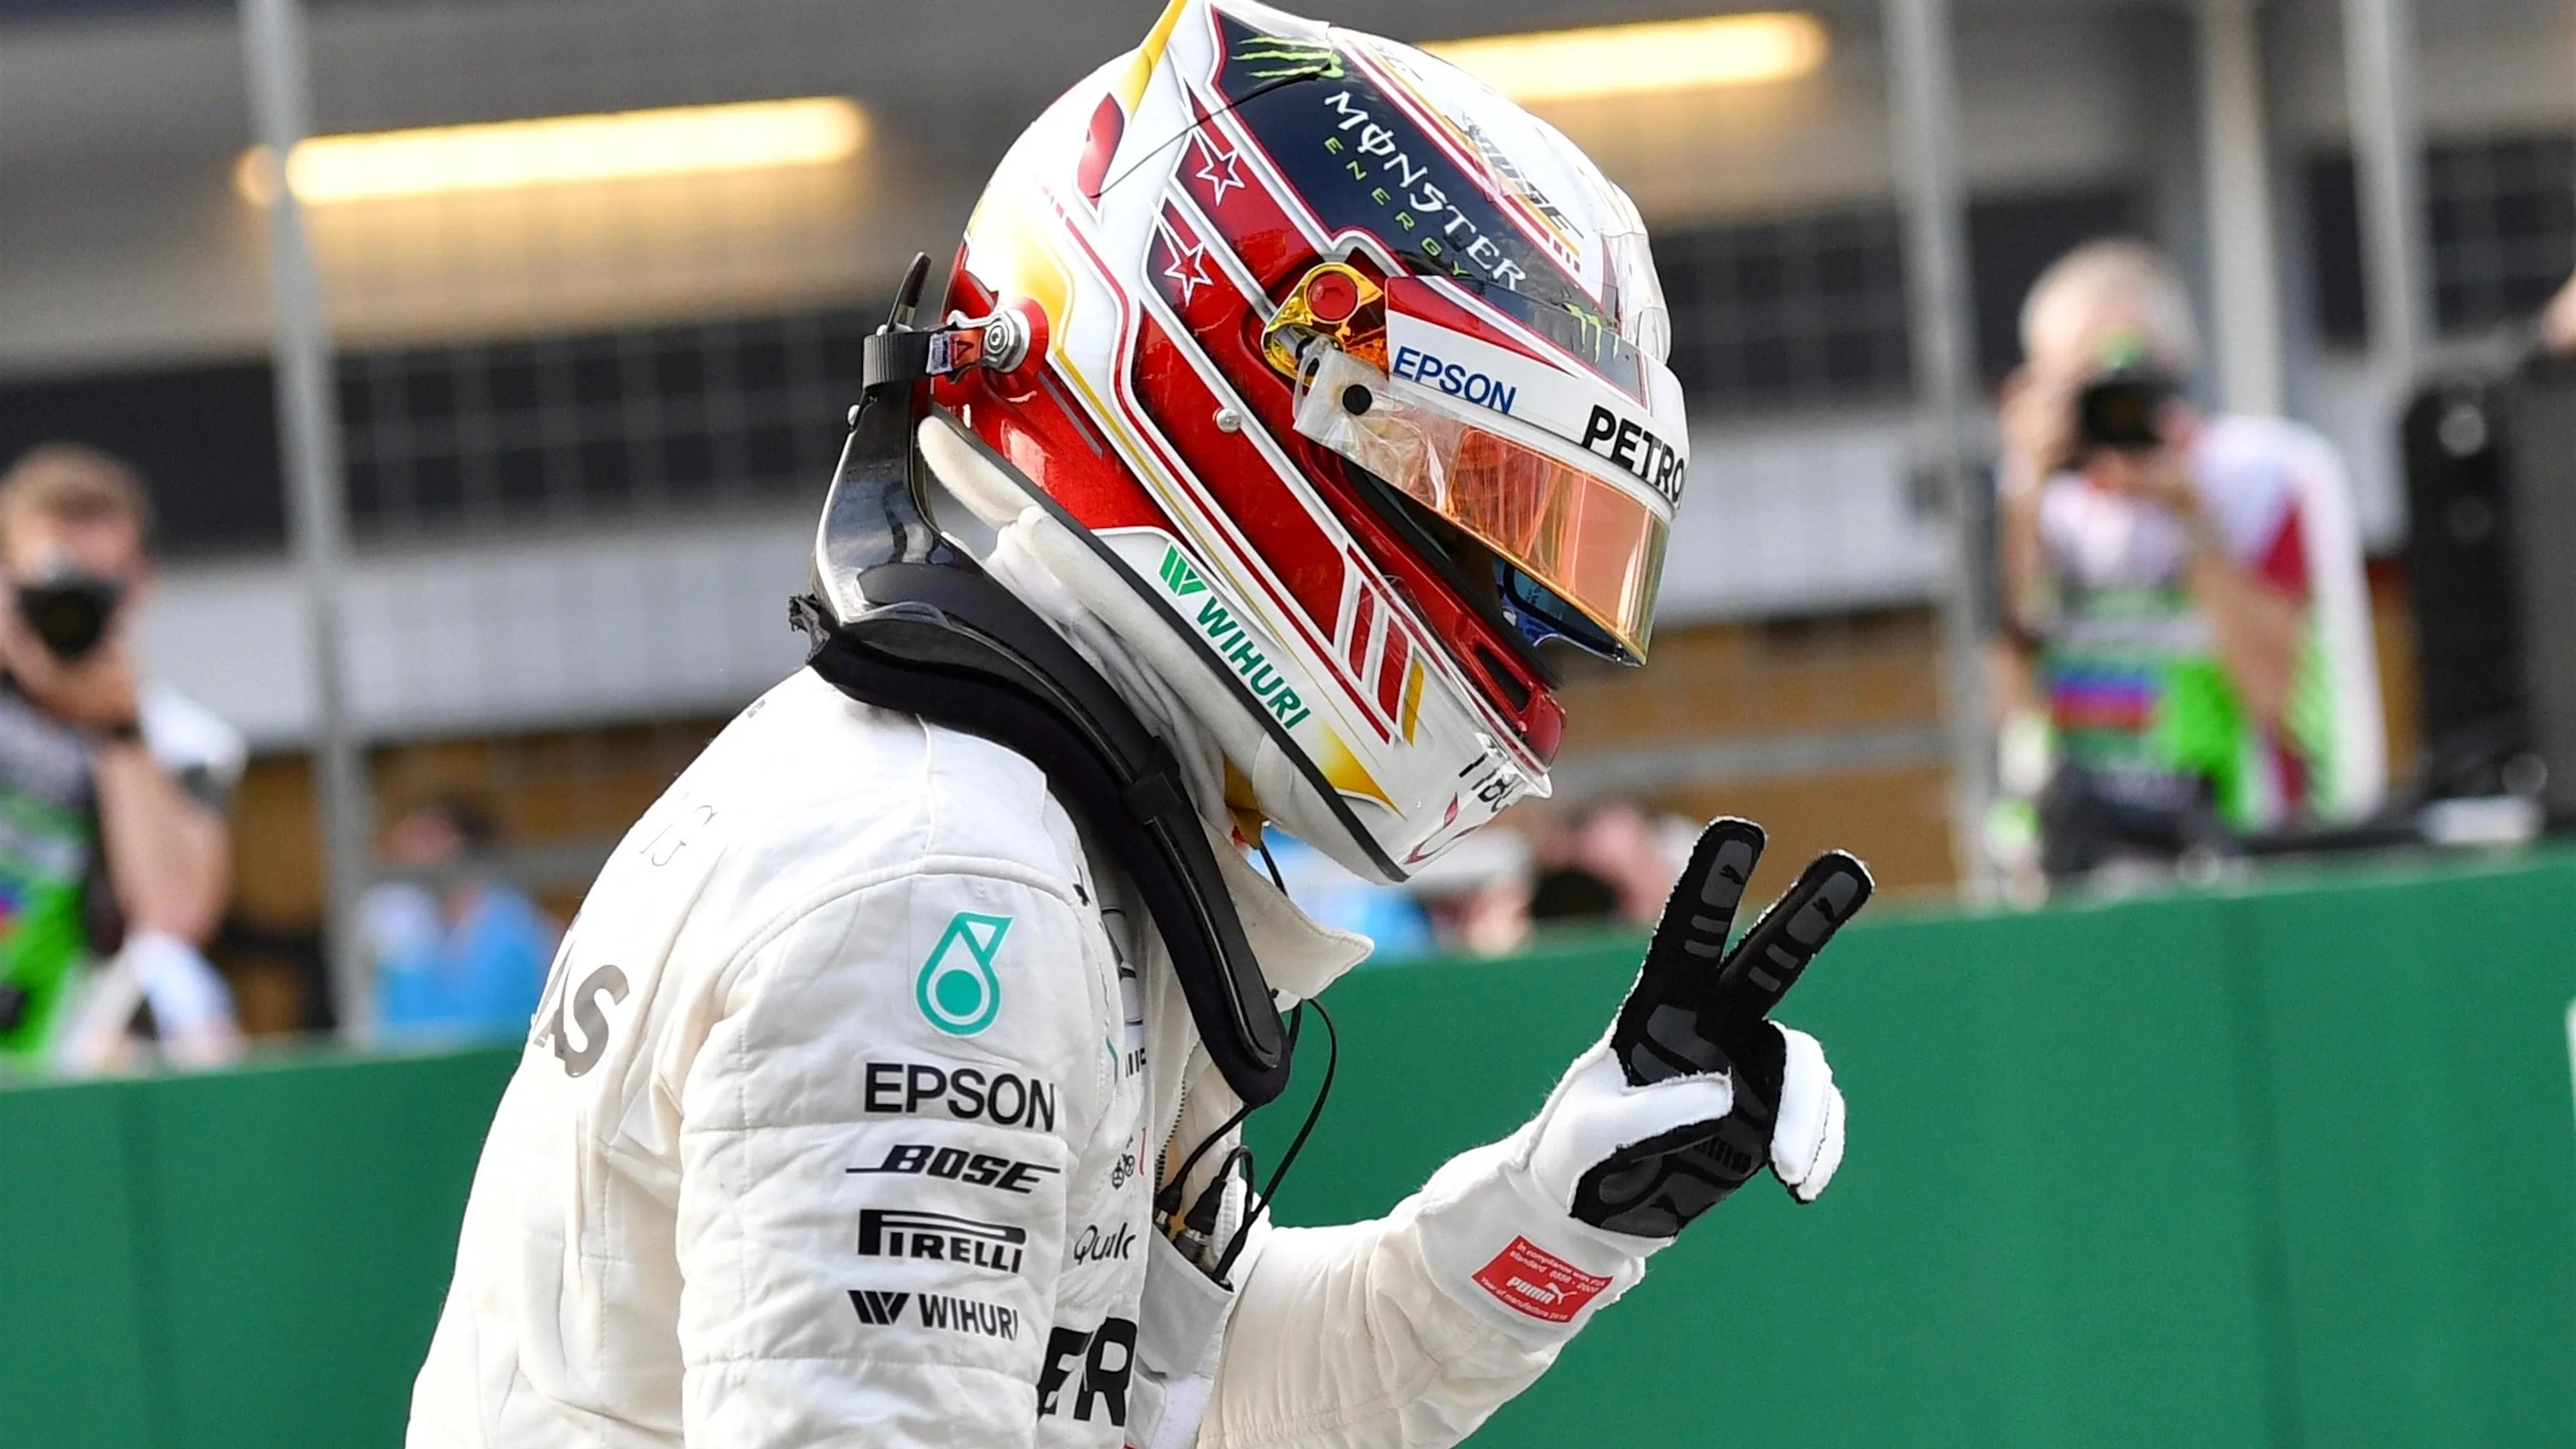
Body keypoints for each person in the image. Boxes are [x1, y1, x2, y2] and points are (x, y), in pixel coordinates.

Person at [409, 5, 1870, 1446]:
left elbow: (1173, 1393)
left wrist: (1556, 1214)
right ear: (1237, 394)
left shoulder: (1037, 814)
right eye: (1481, 505)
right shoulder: (941, 882)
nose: (1531, 621)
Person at [1993, 241, 2384, 881]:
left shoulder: (2263, 477)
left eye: (2123, 368)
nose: (2108, 400)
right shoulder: (2036, 507)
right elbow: (2008, 702)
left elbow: (2283, 698)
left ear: (2174, 364)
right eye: (2076, 381)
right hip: (2080, 865)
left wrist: (2189, 519)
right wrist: (2022, 502)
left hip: (2247, 859)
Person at [0, 444, 245, 1070]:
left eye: (96, 586)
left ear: (140, 586)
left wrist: (118, 730)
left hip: (53, 1069)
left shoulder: (182, 743)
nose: (71, 610)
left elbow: (174, 915)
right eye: (53, 584)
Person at [365, 797, 557, 1045]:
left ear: (459, 843)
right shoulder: (427, 930)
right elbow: (394, 1037)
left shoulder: (511, 929)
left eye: (423, 838)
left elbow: (479, 1031)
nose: (407, 854)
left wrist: (409, 965)